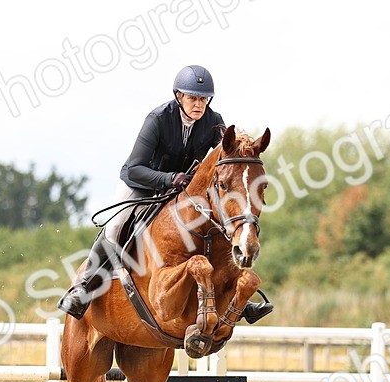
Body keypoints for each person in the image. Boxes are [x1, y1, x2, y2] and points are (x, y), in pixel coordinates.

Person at [57, 65, 270, 323]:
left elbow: (225, 159)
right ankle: (84, 287)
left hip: (183, 190)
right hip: (143, 182)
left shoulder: (214, 122)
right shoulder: (158, 119)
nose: (198, 104)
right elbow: (134, 168)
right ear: (179, 97)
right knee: (115, 226)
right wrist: (169, 178)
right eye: (192, 98)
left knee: (218, 226)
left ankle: (237, 297)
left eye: (203, 99)